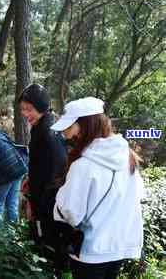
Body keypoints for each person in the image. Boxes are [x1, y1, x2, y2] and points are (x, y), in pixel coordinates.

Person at [51, 97, 144, 279]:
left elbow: (71, 212)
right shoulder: (127, 156)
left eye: (71, 128)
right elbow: (137, 195)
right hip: (119, 246)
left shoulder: (83, 166)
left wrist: (57, 199)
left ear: (83, 126)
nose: (68, 135)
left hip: (91, 249)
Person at [19, 84, 68, 277]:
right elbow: (40, 168)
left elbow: (49, 173)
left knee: (46, 246)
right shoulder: (47, 126)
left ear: (41, 106)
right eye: (22, 109)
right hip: (50, 198)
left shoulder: (46, 132)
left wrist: (33, 202)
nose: (25, 114)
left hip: (48, 202)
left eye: (29, 109)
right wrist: (30, 179)